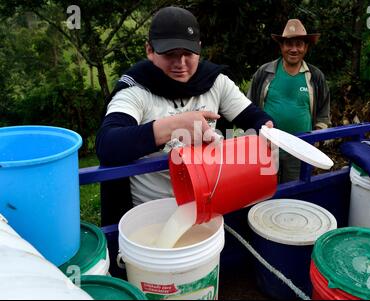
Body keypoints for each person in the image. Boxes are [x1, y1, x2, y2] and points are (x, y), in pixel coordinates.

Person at [96, 6, 273, 225]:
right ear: (149, 50)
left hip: (207, 205)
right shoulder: (136, 90)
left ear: (199, 48)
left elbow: (255, 119)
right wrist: (173, 127)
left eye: (188, 54)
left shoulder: (215, 82)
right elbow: (108, 143)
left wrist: (267, 128)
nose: (180, 64)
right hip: (150, 215)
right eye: (170, 54)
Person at [247, 19, 330, 183]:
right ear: (281, 46)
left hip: (300, 149)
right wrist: (251, 136)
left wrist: (316, 139)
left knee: (294, 192)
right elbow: (248, 107)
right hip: (267, 148)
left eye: (299, 44)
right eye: (288, 44)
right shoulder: (265, 73)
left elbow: (323, 113)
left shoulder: (315, 76)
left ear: (306, 47)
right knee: (266, 190)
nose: (294, 49)